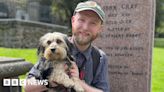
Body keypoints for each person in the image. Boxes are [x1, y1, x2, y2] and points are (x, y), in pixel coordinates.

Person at [24, 1, 110, 92]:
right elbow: (27, 86)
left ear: (100, 29)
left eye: (93, 23)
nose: (85, 27)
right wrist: (50, 83)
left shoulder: (100, 58)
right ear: (73, 21)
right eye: (81, 20)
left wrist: (80, 83)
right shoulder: (53, 48)